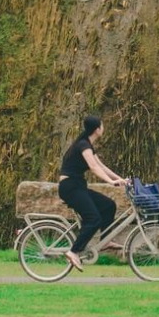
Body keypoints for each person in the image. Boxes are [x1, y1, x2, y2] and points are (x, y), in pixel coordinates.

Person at [58, 114, 126, 270]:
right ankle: (74, 251)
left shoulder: (87, 144)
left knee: (109, 205)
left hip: (77, 186)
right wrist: (110, 182)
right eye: (102, 126)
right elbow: (94, 168)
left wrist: (121, 179)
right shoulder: (83, 145)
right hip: (70, 188)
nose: (103, 128)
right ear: (97, 129)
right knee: (93, 219)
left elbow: (101, 166)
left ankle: (105, 241)